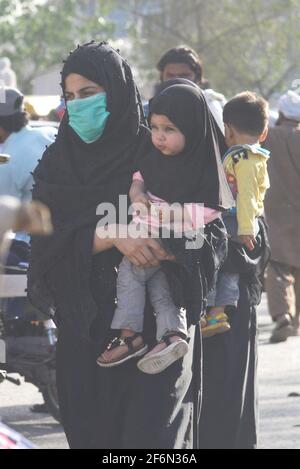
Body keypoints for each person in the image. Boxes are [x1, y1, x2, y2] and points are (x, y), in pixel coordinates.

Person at [28, 42, 231, 449]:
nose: (78, 105)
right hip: (86, 341)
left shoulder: (156, 147)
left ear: (118, 90)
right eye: (69, 96)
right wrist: (112, 235)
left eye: (89, 93)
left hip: (161, 340)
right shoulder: (57, 163)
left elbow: (212, 231)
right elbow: (44, 248)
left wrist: (165, 240)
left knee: (154, 441)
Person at [97, 84, 225, 374]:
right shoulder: (153, 156)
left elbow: (210, 210)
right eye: (154, 127)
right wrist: (136, 191)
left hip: (175, 242)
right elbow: (140, 175)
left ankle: (130, 336)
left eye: (169, 129)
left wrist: (171, 213)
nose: (159, 137)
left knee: (129, 276)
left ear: (192, 130)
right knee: (161, 288)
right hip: (154, 237)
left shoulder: (204, 167)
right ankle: (172, 335)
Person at [202, 91, 270, 338]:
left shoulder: (243, 157)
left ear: (227, 130)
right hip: (237, 220)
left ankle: (212, 311)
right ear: (264, 133)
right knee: (228, 266)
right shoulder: (253, 156)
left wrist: (246, 227)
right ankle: (217, 312)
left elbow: (248, 195)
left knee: (220, 264)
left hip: (234, 221)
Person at [264, 90, 300, 343]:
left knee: (277, 267)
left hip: (275, 212)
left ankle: (282, 316)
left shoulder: (268, 138)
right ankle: (296, 320)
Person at [156, 46, 226, 132]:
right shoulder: (148, 111)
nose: (177, 81)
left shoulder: (214, 104)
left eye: (184, 75)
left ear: (198, 77)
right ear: (162, 77)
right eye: (171, 76)